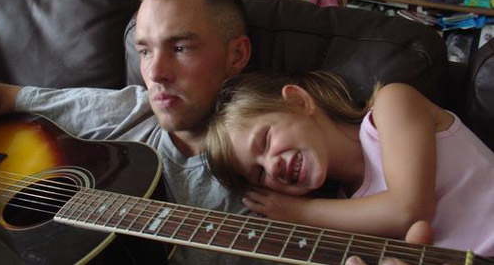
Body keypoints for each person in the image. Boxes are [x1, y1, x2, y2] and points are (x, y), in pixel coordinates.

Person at [0, 0, 266, 265]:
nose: (155, 73)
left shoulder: (272, 162)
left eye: (180, 48)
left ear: (237, 54)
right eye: (145, 50)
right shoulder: (128, 109)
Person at [204, 71, 494, 257]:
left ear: (299, 101)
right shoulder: (345, 212)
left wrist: (299, 212)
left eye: (265, 141)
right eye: (259, 174)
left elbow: (411, 209)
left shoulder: (391, 105)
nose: (271, 166)